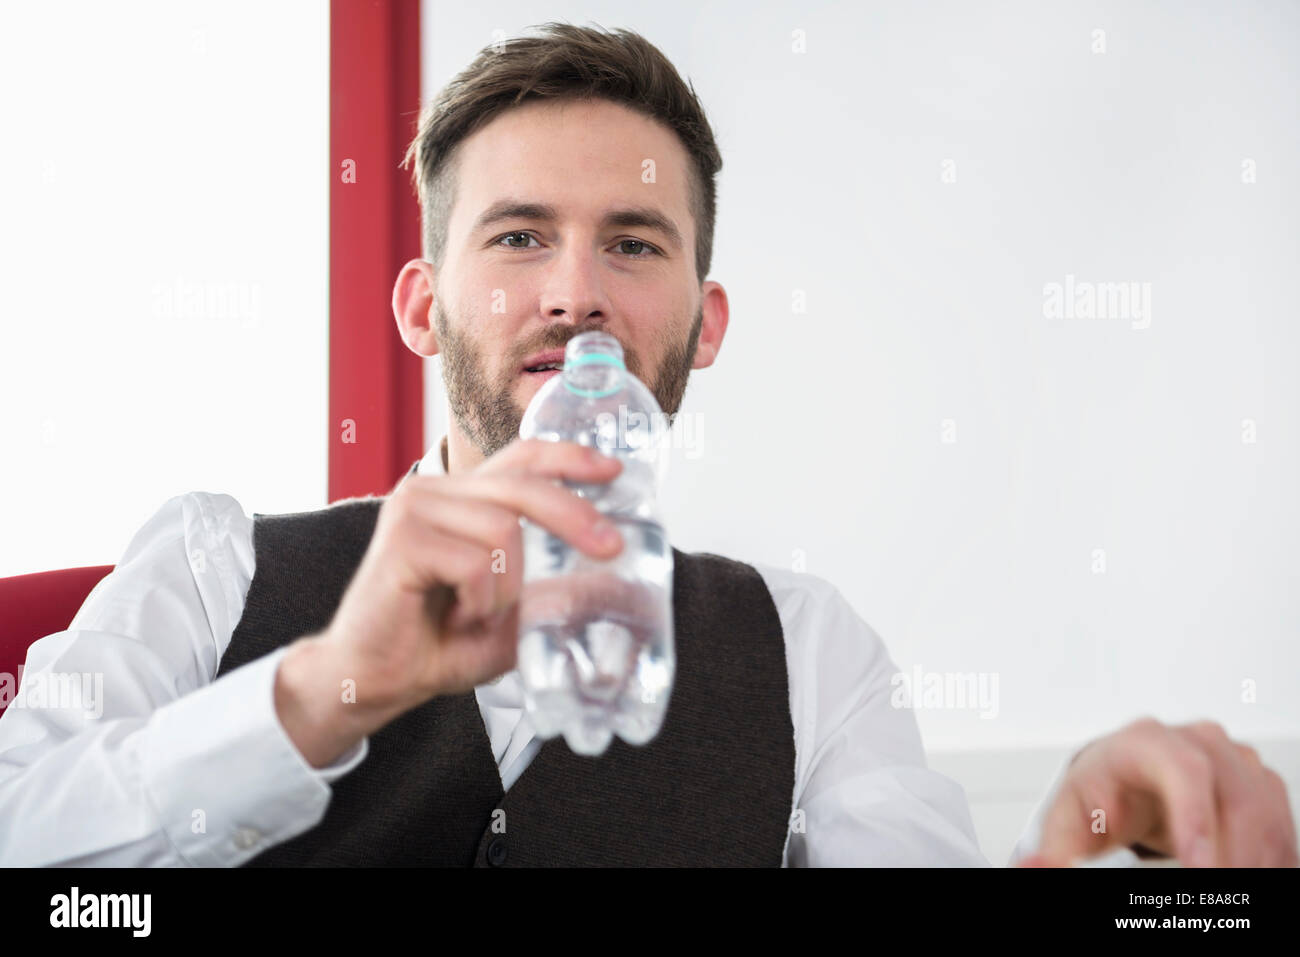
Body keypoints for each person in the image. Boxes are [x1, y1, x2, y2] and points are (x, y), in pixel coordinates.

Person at [0, 22, 1293, 867]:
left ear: (702, 320)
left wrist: (1070, 851)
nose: (576, 292)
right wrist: (321, 686)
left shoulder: (808, 639)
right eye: (516, 237)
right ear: (418, 306)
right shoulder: (211, 557)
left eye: (633, 241)